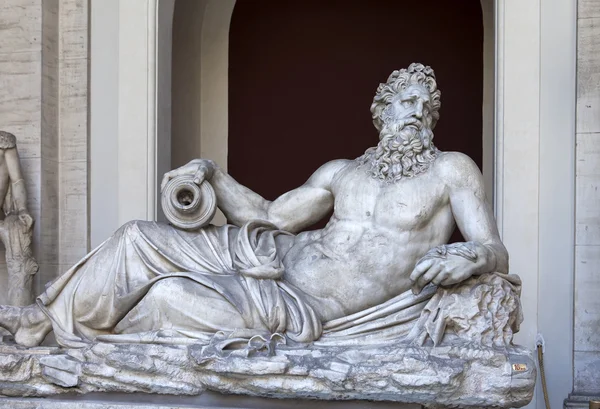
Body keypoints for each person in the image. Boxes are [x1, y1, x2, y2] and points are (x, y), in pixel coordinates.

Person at [0, 63, 509, 348]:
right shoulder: (342, 172)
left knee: (169, 297)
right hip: (266, 255)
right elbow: (268, 215)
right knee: (137, 235)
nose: (416, 113)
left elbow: (493, 249)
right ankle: (43, 320)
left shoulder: (451, 170)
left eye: (427, 106)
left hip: (304, 302)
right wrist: (212, 175)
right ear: (381, 110)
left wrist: (468, 257)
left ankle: (72, 346)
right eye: (406, 102)